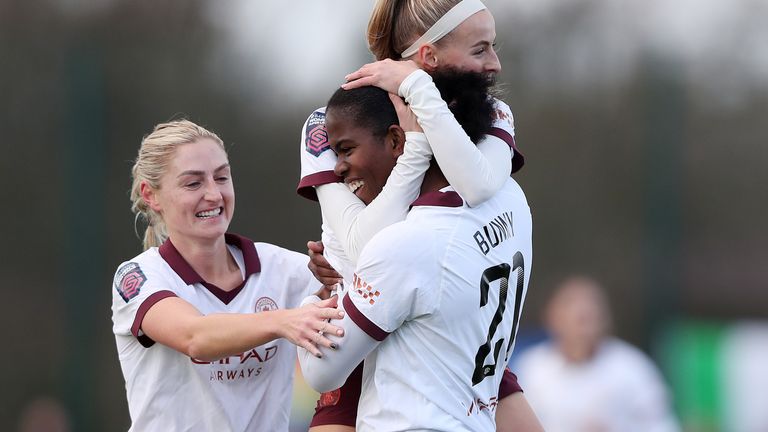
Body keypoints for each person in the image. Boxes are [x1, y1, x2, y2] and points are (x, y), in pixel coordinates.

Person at [296, 0, 534, 430]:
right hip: (457, 372)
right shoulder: (512, 198)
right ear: (428, 56)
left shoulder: (414, 239)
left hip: (388, 357)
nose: (495, 64)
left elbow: (319, 368)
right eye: (480, 50)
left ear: (396, 140)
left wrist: (320, 296)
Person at [111, 119, 345, 432]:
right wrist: (285, 321)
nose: (213, 194)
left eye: (221, 177)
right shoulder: (139, 276)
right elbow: (194, 337)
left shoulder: (288, 271)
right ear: (151, 195)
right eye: (193, 183)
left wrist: (336, 278)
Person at [513, 276, 681, 432]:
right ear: (552, 316)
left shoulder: (632, 368)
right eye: (571, 308)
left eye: (590, 310)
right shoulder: (532, 368)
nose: (582, 316)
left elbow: (662, 425)